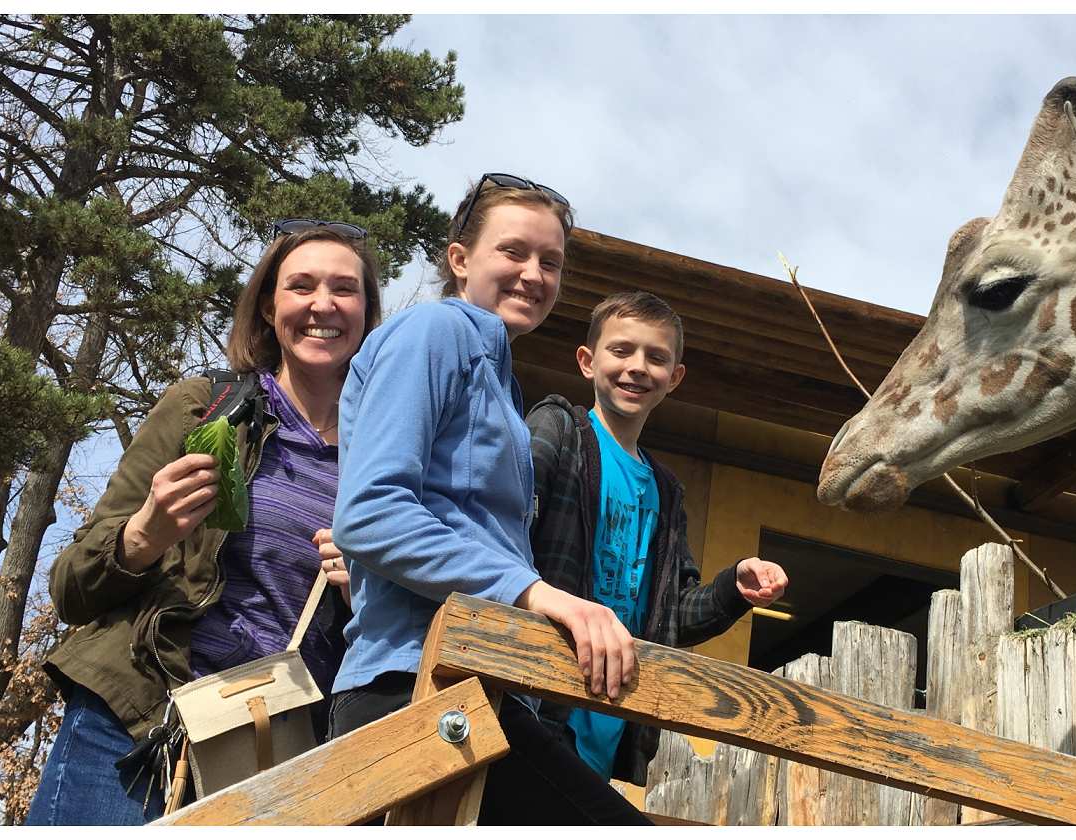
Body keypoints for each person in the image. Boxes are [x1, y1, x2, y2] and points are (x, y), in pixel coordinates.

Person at [29, 220, 378, 824]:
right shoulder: (205, 407)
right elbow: (70, 587)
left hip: (277, 751)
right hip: (138, 724)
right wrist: (145, 534)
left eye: (345, 289)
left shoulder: (385, 452)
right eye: (302, 286)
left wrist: (366, 589)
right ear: (270, 307)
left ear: (368, 313)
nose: (323, 304)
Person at [327, 173, 650, 825]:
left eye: (550, 262)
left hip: (481, 687)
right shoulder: (432, 333)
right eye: (514, 251)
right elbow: (368, 515)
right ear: (459, 259)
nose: (533, 273)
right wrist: (537, 593)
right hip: (414, 690)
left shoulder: (499, 379)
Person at [526, 290, 790, 784]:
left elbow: (674, 617)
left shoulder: (666, 492)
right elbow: (500, 533)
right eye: (621, 350)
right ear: (587, 361)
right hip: (538, 699)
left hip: (615, 724)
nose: (638, 367)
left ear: (675, 378)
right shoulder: (559, 430)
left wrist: (735, 586)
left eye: (657, 357)